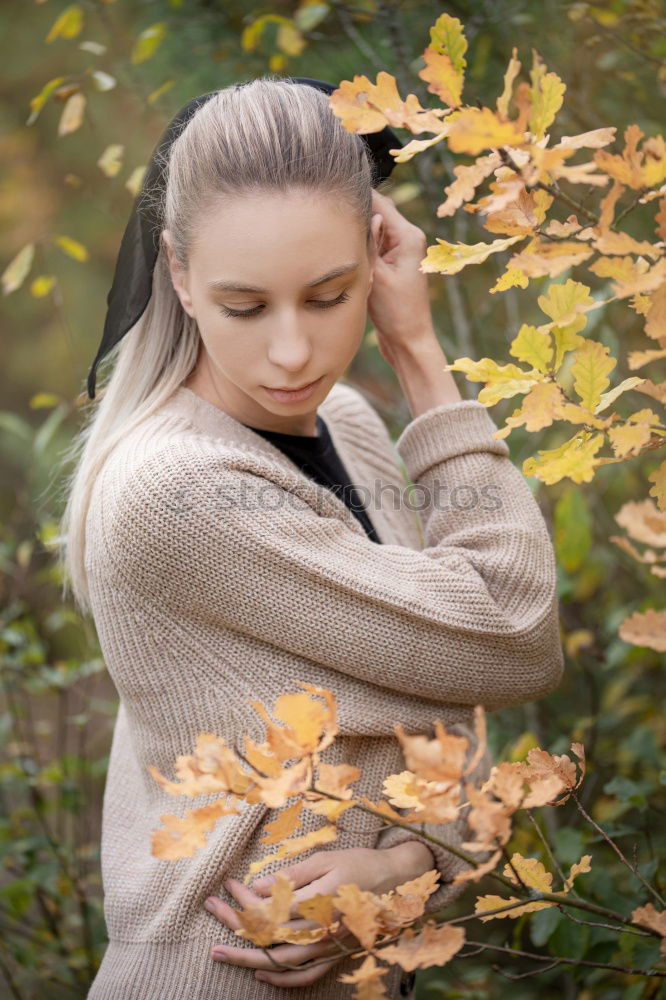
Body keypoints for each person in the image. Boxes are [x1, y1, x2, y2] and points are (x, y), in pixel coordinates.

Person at [57, 75, 565, 999]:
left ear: (378, 257)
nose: (291, 353)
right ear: (176, 272)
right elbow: (515, 632)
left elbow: (455, 704)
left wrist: (409, 867)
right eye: (245, 307)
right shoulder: (177, 492)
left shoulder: (351, 425)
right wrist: (419, 357)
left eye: (328, 296)